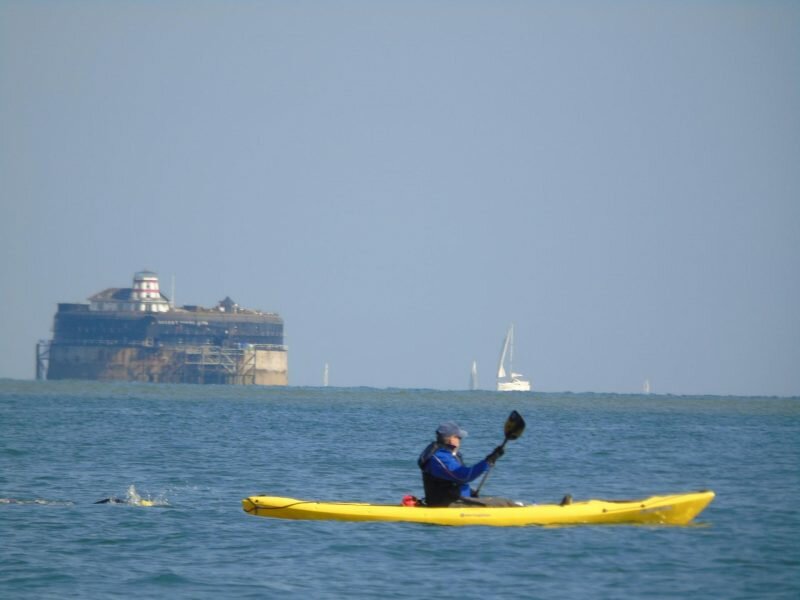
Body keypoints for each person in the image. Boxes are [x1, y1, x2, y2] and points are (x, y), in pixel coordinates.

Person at [417, 421, 519, 507]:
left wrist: (470, 492)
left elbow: (453, 481)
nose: (460, 440)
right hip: (448, 504)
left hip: (456, 499)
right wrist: (488, 461)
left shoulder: (448, 454)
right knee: (506, 503)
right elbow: (465, 476)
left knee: (499, 502)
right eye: (458, 437)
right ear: (450, 439)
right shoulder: (440, 458)